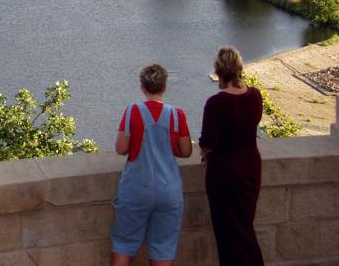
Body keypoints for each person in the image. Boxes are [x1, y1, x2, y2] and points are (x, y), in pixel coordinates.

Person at [110, 64, 192, 266]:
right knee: (163, 248)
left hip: (136, 189)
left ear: (142, 88)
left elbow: (121, 148)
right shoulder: (176, 115)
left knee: (123, 243)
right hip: (168, 190)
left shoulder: (132, 111)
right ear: (165, 88)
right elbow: (186, 151)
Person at [199, 46, 265, 265]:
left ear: (218, 72)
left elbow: (208, 144)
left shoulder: (216, 103)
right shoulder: (255, 96)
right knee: (244, 225)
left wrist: (203, 150)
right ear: (239, 68)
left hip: (224, 174)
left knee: (228, 233)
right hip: (250, 169)